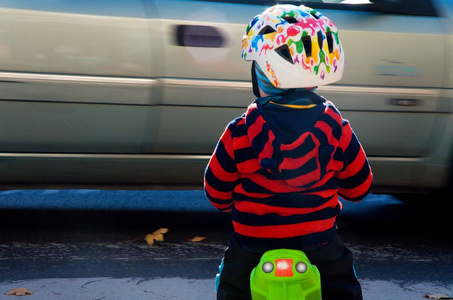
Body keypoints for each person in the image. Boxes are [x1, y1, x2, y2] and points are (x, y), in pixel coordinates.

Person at [204, 4, 373, 300]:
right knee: (343, 288)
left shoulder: (238, 132)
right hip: (319, 245)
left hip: (252, 246)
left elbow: (215, 192)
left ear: (265, 71)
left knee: (232, 288)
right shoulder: (338, 129)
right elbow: (359, 189)